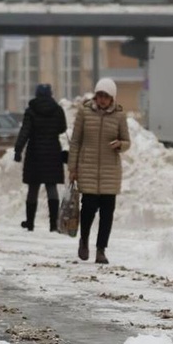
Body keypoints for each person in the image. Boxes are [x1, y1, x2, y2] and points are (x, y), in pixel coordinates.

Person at [67, 78, 130, 265]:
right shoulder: (84, 113)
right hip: (87, 169)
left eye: (106, 97)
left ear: (112, 98)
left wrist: (120, 145)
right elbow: (76, 142)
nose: (102, 100)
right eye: (100, 96)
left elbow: (127, 141)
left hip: (110, 172)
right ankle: (84, 240)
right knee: (88, 210)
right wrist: (72, 168)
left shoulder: (119, 116)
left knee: (107, 213)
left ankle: (101, 249)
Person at [14, 83, 67, 232]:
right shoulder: (57, 110)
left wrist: (18, 150)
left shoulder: (31, 111)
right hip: (52, 152)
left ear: (36, 94)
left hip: (35, 153)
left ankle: (30, 223)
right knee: (52, 187)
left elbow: (25, 131)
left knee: (33, 188)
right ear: (50, 94)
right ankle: (53, 224)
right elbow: (62, 128)